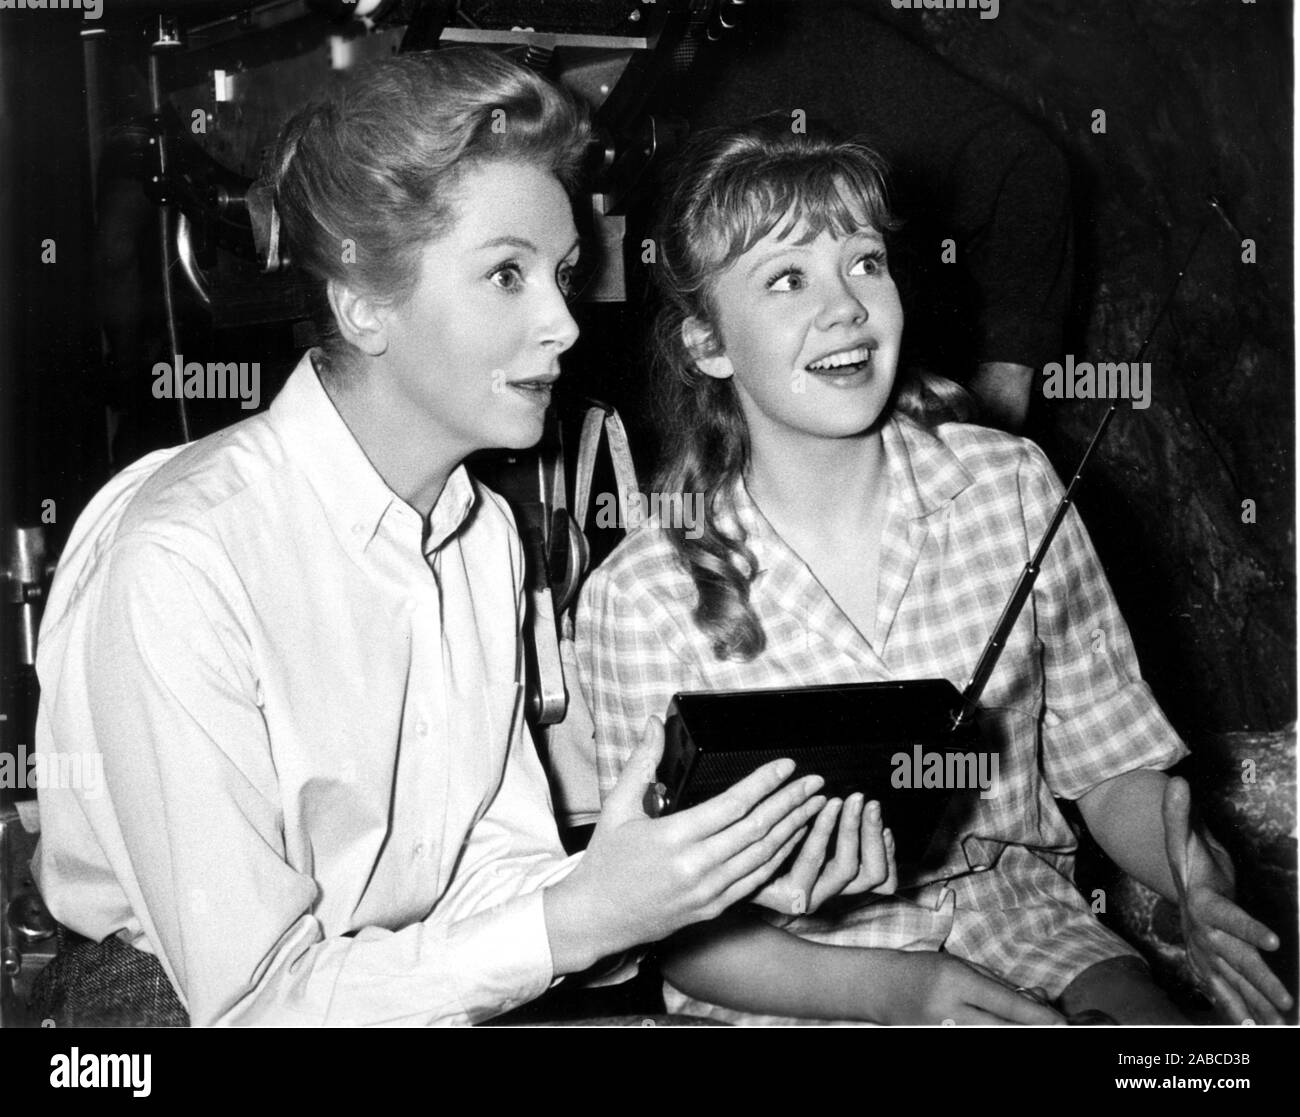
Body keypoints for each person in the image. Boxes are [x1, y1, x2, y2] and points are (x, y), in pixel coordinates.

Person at [29, 50, 835, 1027]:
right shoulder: (185, 551)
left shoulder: (482, 533)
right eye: (506, 273)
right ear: (363, 300)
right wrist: (574, 920)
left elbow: (496, 871)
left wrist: (693, 885)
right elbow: (249, 1004)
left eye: (565, 275)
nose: (564, 325)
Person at [574, 119, 1293, 1025]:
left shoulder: (1012, 487)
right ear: (707, 346)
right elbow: (681, 934)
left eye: (865, 262)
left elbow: (1111, 774)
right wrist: (909, 994)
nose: (846, 306)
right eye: (787, 278)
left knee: (1182, 1069)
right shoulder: (639, 596)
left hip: (1028, 926)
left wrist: (1190, 872)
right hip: (795, 979)